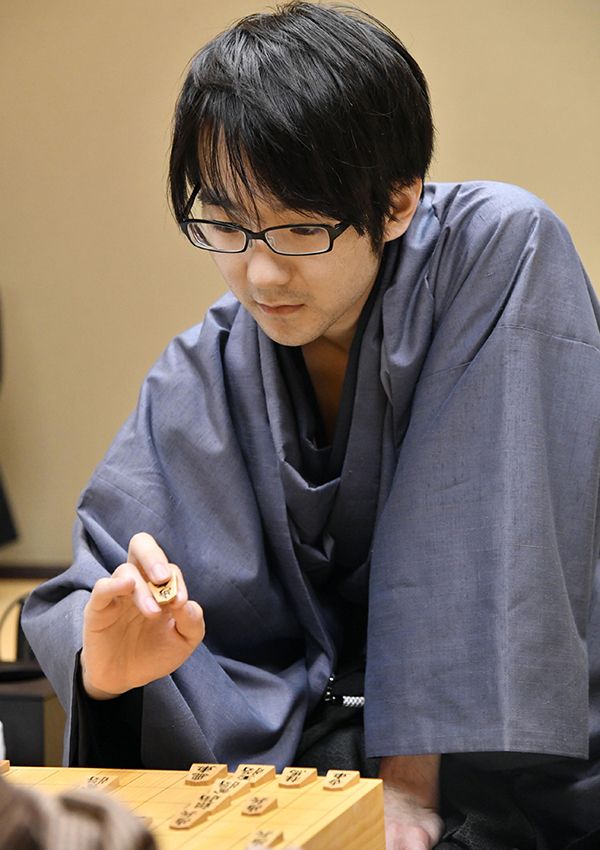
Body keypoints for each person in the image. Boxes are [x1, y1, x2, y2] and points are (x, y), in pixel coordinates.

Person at [22, 3, 600, 849]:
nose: (260, 274)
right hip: (326, 737)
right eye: (226, 224)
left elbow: (474, 531)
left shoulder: (500, 249)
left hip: (507, 740)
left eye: (300, 228)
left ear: (397, 201)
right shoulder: (211, 362)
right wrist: (110, 669)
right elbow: (97, 578)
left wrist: (404, 788)